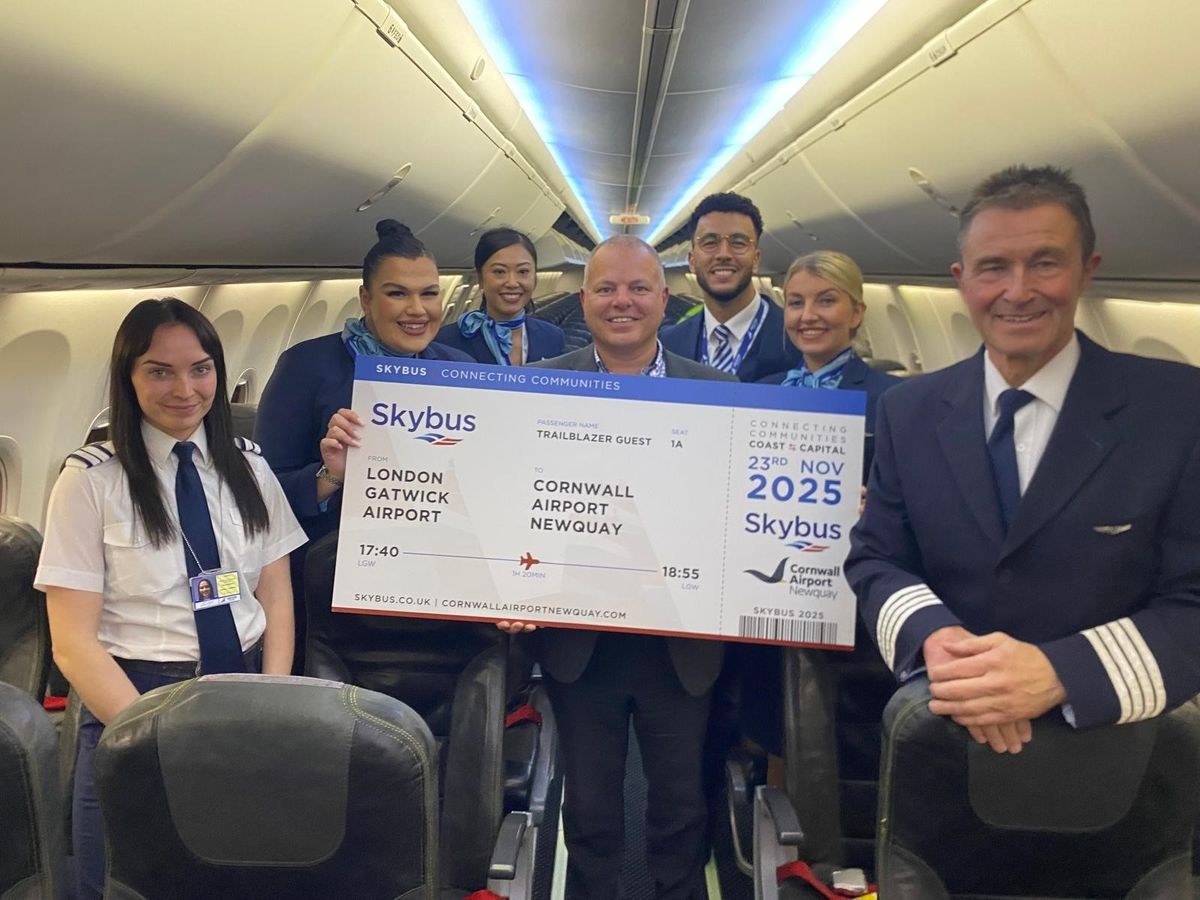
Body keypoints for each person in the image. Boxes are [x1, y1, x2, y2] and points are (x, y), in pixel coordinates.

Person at [846, 164, 1200, 757]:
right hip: (946, 734)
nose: (1017, 290)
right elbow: (878, 557)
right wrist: (941, 644)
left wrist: (1059, 673)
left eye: (1044, 262)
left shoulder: (1176, 409)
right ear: (962, 280)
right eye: (993, 268)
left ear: (1087, 270)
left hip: (1115, 752)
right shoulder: (909, 411)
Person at [34, 297, 306, 899]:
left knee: (236, 873)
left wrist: (272, 701)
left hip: (245, 688)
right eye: (160, 371)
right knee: (124, 879)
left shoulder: (249, 467)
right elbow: (73, 643)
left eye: (201, 368)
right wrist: (152, 734)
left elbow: (276, 595)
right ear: (128, 378)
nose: (185, 388)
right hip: (132, 701)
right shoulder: (90, 481)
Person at [500, 235, 735, 900]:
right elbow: (513, 501)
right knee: (594, 810)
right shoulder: (539, 390)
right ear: (584, 299)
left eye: (638, 288)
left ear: (665, 299)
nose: (622, 301)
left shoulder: (721, 394)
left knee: (680, 807)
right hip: (581, 643)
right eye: (606, 289)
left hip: (682, 641)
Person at [255, 220, 471, 663]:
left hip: (437, 579)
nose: (417, 309)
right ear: (365, 300)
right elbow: (263, 492)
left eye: (429, 293)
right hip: (327, 592)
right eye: (397, 293)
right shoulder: (307, 366)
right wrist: (329, 476)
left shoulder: (460, 368)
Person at [742, 251, 902, 797]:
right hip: (767, 591)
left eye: (826, 300)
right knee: (776, 731)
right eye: (796, 302)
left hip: (850, 604)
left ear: (856, 313)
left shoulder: (894, 403)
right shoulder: (758, 395)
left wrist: (875, 505)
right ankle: (781, 847)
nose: (809, 315)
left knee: (840, 736)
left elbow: (919, 514)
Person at [660, 191, 801, 381]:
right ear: (692, 261)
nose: (724, 254)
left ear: (756, 259)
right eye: (710, 242)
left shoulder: (797, 339)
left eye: (738, 242)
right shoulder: (669, 344)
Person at [436, 227, 566, 364]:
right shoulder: (446, 341)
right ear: (480, 279)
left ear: (534, 278)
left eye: (523, 271)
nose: (512, 283)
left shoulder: (552, 338)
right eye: (499, 272)